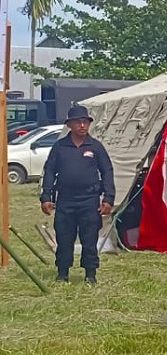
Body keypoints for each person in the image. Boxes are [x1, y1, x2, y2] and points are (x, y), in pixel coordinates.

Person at [40, 105, 115, 285]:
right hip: (65, 200)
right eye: (78, 122)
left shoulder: (95, 147)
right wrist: (46, 197)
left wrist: (108, 198)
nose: (82, 125)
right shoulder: (60, 147)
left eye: (85, 122)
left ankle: (90, 274)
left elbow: (107, 171)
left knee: (89, 239)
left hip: (89, 200)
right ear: (70, 125)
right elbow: (49, 171)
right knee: (64, 238)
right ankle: (62, 273)